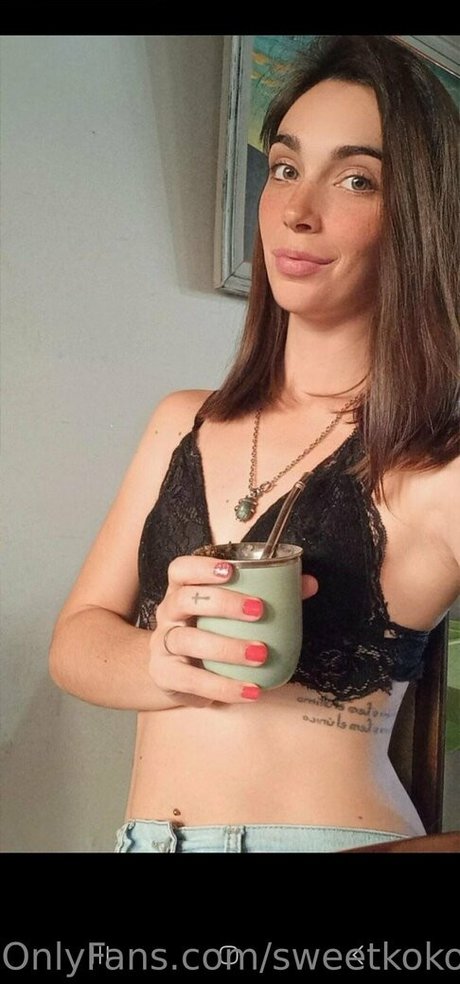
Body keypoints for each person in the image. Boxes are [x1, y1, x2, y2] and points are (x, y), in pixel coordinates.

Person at [49, 35, 460, 853]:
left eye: (355, 179)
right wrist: (160, 661)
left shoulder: (434, 464)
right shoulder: (182, 421)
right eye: (283, 167)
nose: (297, 209)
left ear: (420, 216)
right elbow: (77, 640)